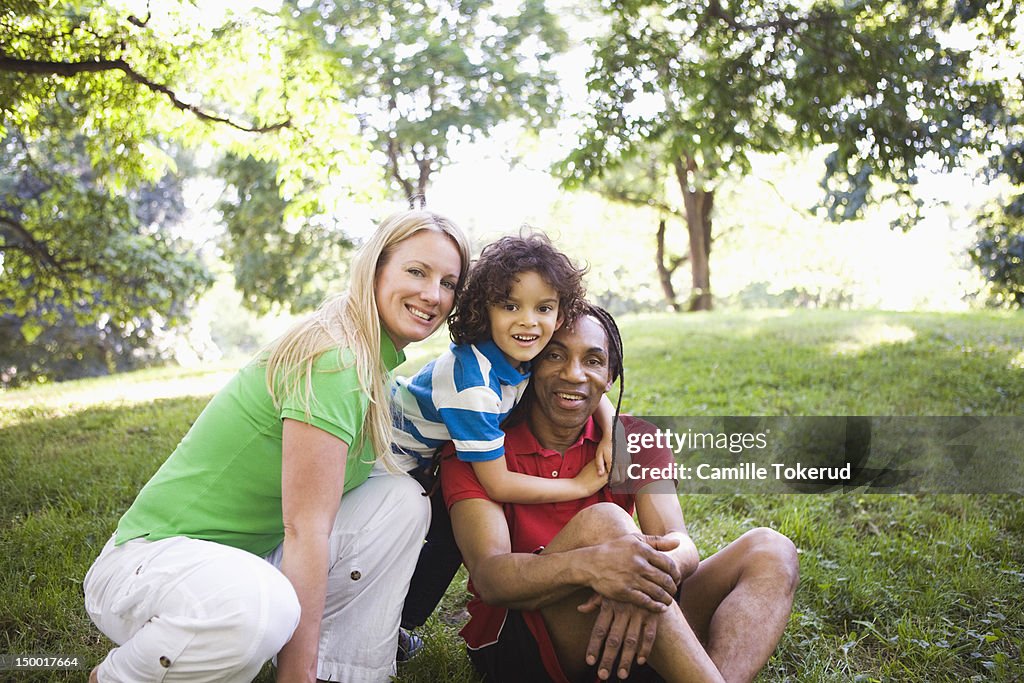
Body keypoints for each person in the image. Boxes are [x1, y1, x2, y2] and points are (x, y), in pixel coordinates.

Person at [83, 210, 471, 683]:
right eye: (417, 271)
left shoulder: (371, 362)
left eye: (448, 283)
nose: (433, 295)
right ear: (375, 268)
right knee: (259, 606)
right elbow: (307, 528)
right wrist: (294, 674)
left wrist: (592, 407)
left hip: (243, 561)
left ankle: (343, 672)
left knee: (400, 502)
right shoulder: (334, 359)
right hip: (152, 565)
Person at [441, 303, 800, 682]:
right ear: (529, 363)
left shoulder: (635, 439)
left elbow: (679, 543)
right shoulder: (480, 451)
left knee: (770, 549)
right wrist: (598, 566)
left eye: (593, 360)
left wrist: (640, 577)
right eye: (555, 355)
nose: (574, 373)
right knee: (606, 523)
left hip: (636, 617)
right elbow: (491, 579)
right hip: (524, 637)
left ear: (610, 376)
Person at [394, 233, 616, 634]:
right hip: (386, 460)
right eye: (510, 305)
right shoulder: (474, 385)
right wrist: (578, 486)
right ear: (484, 310)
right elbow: (497, 483)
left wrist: (611, 429)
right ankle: (388, 628)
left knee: (448, 528)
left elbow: (587, 387)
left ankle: (401, 627)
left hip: (421, 456)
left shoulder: (518, 352)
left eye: (543, 307)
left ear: (560, 314)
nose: (528, 320)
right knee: (431, 530)